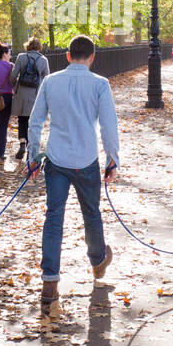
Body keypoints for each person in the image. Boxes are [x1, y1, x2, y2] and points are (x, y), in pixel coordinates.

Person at [25, 35, 120, 316]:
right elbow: (108, 125)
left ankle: (49, 284)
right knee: (91, 213)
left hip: (57, 159)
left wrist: (33, 156)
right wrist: (112, 159)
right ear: (92, 57)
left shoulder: (51, 82)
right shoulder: (100, 84)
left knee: (54, 218)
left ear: (68, 56)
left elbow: (35, 121)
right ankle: (98, 260)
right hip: (86, 159)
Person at [8, 36, 50, 160]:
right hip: (36, 95)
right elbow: (47, 79)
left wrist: (13, 85)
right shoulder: (43, 60)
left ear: (27, 46)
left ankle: (22, 143)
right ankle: (31, 151)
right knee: (33, 123)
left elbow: (13, 76)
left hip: (21, 93)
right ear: (39, 47)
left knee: (22, 120)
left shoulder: (21, 57)